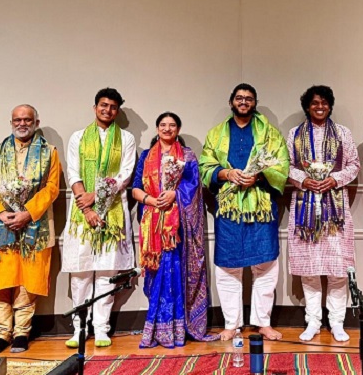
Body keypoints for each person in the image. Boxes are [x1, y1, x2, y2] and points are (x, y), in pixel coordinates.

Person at [199, 83, 289, 341]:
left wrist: (259, 176)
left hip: (261, 206)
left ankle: (263, 322)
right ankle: (231, 324)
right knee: (228, 265)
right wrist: (227, 174)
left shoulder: (270, 133)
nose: (244, 102)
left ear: (254, 103)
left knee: (266, 263)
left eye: (249, 98)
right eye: (239, 98)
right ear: (231, 102)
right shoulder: (216, 134)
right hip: (229, 208)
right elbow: (205, 165)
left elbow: (282, 165)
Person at [0, 104, 61, 354]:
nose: (22, 124)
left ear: (36, 122)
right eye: (17, 120)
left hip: (34, 226)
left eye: (27, 120)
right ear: (11, 122)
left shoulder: (49, 152)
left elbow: (51, 188)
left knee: (28, 282)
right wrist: (0, 213)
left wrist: (28, 213)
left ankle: (22, 332)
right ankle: (1, 333)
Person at [131, 112, 218, 348]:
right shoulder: (146, 156)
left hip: (177, 229)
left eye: (172, 125)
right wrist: (151, 200)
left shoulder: (187, 156)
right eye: (163, 125)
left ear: (178, 129)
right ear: (157, 128)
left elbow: (194, 188)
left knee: (176, 273)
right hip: (153, 226)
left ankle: (179, 330)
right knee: (157, 275)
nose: (167, 129)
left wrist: (174, 195)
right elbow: (135, 188)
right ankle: (158, 328)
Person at [61, 87, 136, 348]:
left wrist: (98, 196)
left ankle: (102, 328)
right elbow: (73, 172)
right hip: (82, 213)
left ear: (117, 111)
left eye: (113, 107)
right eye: (103, 105)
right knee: (81, 273)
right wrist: (87, 207)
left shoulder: (126, 138)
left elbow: (125, 174)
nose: (108, 110)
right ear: (95, 108)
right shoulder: (78, 137)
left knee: (107, 272)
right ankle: (79, 328)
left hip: (112, 212)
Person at [286, 86, 359, 342]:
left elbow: (354, 165)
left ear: (330, 106)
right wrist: (304, 180)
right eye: (315, 103)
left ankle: (337, 322)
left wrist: (334, 179)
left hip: (335, 208)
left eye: (324, 102)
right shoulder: (294, 134)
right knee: (310, 268)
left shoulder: (343, 133)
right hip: (305, 208)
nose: (320, 107)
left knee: (337, 269)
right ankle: (313, 321)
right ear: (307, 106)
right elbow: (287, 165)